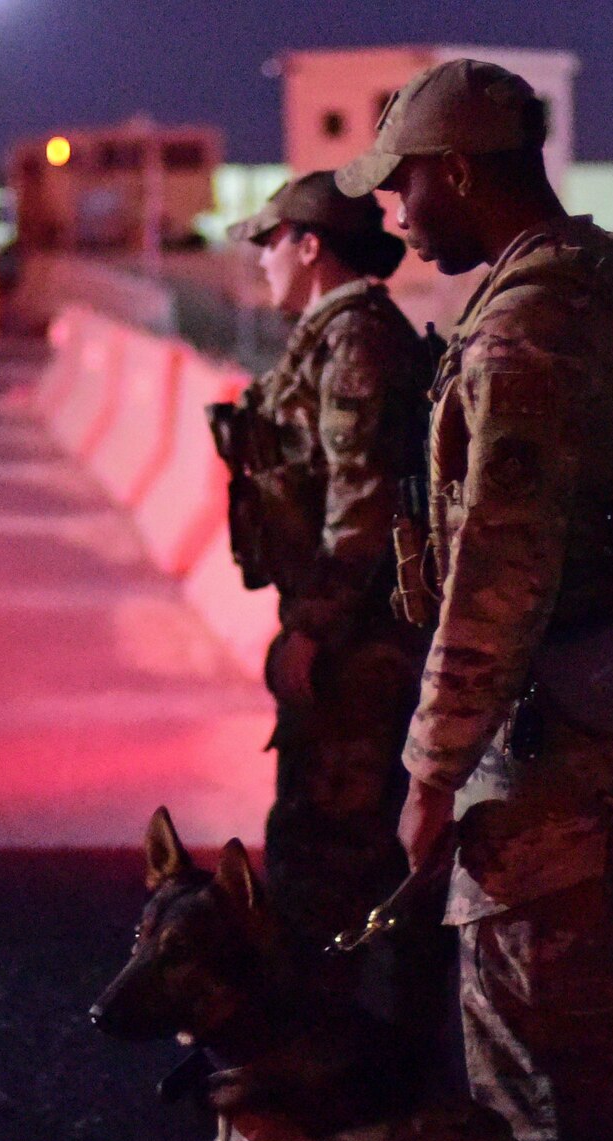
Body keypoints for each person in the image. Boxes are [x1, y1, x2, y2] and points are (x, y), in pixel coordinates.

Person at [336, 59, 613, 1141]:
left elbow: (500, 565)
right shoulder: (607, 280)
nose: (390, 213)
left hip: (548, 742)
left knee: (538, 1094)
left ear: (457, 170)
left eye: (400, 185)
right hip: (610, 706)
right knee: (584, 1067)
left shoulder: (526, 330)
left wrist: (430, 769)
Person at [215, 172, 435, 984]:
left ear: (310, 246)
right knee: (329, 846)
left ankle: (345, 1053)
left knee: (331, 852)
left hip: (362, 640)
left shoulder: (356, 346)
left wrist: (313, 625)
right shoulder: (332, 337)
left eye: (270, 242)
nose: (262, 260)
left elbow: (362, 504)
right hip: (350, 628)